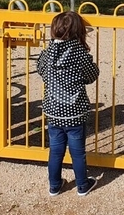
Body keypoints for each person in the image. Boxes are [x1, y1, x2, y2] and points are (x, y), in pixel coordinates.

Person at [37, 11, 99, 197]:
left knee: (55, 151)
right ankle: (82, 185)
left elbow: (40, 70)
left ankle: (54, 186)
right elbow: (91, 76)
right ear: (79, 32)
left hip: (53, 111)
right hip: (74, 112)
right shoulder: (79, 53)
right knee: (77, 152)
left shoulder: (48, 54)